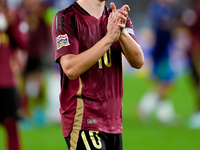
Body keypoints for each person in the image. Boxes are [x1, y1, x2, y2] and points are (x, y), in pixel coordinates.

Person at [51, 0, 144, 149]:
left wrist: (120, 31)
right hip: (83, 119)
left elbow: (138, 61)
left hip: (113, 121)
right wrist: (109, 38)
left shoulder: (117, 18)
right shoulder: (66, 18)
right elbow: (70, 68)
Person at [137, 0, 178, 125]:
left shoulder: (163, 9)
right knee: (166, 83)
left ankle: (165, 115)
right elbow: (162, 28)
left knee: (163, 84)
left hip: (163, 51)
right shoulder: (159, 9)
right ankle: (144, 107)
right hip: (160, 53)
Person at [0, 0, 29, 149]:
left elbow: (23, 43)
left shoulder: (13, 15)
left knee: (11, 124)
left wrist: (11, 25)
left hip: (7, 80)